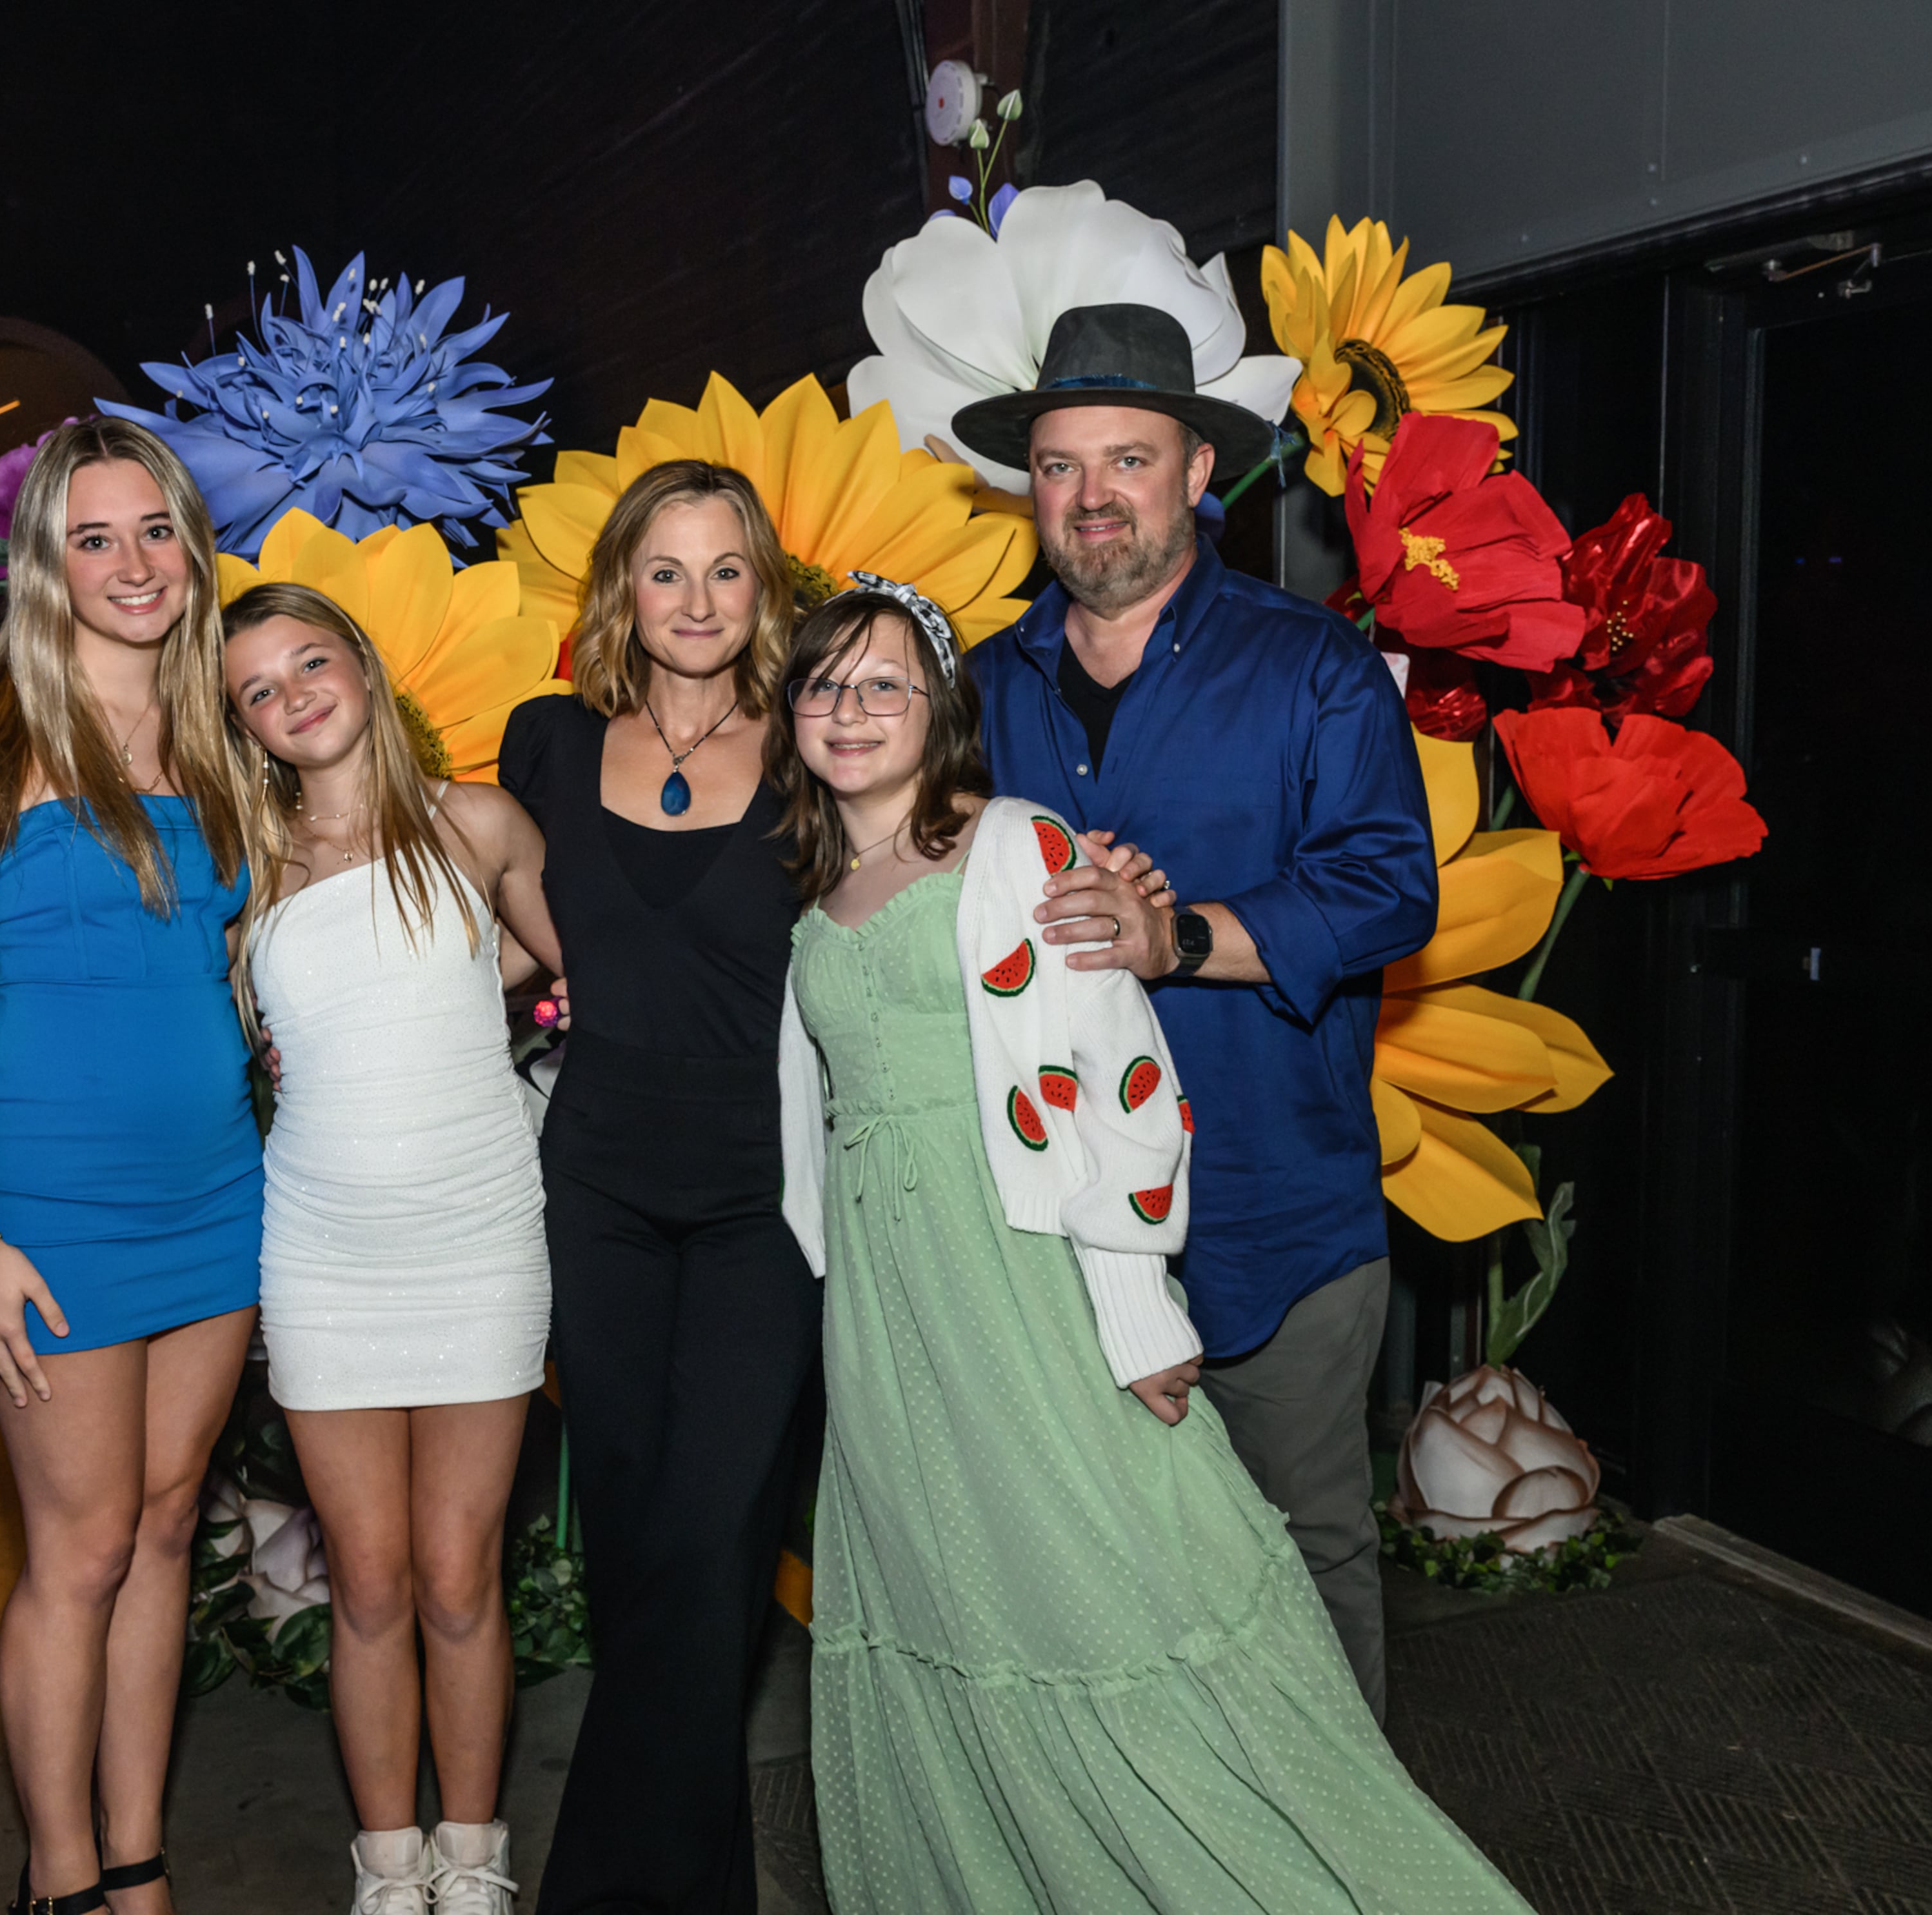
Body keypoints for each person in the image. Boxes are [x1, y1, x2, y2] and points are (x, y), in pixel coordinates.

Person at [770, 581, 1529, 1914]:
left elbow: (1124, 1079)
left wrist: (1133, 1308)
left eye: (886, 683)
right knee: (948, 1590)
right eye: (824, 685)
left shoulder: (1017, 844)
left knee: (1111, 1579)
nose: (852, 709)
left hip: (1017, 1272)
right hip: (888, 1307)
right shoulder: (816, 883)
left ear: (941, 710)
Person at [952, 303, 1440, 1721]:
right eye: (1060, 465)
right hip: (1056, 1226)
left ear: (1196, 472)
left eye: (1129, 459)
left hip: (1268, 1210)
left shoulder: (1311, 666)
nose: (1092, 495)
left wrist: (1181, 937)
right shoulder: (980, 687)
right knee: (1099, 1579)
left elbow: (1389, 890)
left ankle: (1338, 1834)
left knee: (1305, 1559)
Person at [0, 416, 261, 1915]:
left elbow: (238, 962)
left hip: (218, 1191)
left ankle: (138, 1857)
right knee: (83, 1542)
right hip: (50, 1207)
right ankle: (59, 1876)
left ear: (194, 547)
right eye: (93, 537)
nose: (133, 563)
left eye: (156, 529)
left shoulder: (221, 731)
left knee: (166, 1526)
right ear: (45, 562)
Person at [495, 459, 819, 1915]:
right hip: (599, 1191)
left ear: (765, 590)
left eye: (727, 570)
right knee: (640, 1549)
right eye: (667, 569)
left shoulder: (818, 742)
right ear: (623, 585)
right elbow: (496, 940)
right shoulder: (551, 740)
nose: (697, 600)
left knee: (711, 1534)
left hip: (768, 1195)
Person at [217, 581, 557, 1915]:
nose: (294, 695)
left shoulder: (479, 822)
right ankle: (388, 1866)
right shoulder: (252, 870)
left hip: (480, 1239)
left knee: (461, 1580)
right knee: (365, 1585)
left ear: (361, 663)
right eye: (259, 688)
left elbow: (577, 965)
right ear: (243, 724)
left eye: (311, 661)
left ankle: (473, 1857)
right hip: (323, 1256)